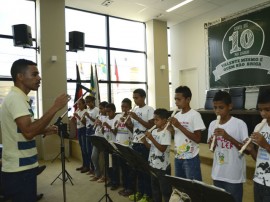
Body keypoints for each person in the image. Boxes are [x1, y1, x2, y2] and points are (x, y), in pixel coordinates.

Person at [0, 59, 69, 202]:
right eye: (34, 74)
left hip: (24, 167)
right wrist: (55, 107)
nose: (39, 78)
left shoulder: (20, 98)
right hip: (19, 171)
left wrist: (44, 130)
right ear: (20, 76)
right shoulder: (16, 98)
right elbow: (29, 132)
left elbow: (23, 129)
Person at [207, 90, 248, 202]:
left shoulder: (239, 124)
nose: (217, 111)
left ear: (230, 106)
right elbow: (212, 149)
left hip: (233, 176)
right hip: (217, 173)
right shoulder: (212, 124)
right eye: (215, 107)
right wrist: (212, 143)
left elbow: (246, 150)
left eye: (221, 107)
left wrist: (228, 137)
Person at [169, 86, 205, 181]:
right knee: (181, 186)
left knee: (193, 187)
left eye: (179, 99)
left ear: (188, 99)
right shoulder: (177, 115)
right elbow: (176, 135)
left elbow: (198, 139)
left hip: (191, 158)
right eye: (175, 99)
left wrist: (179, 126)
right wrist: (170, 129)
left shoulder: (195, 115)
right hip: (178, 156)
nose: (176, 102)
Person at [126, 88, 154, 202]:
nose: (135, 100)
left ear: (143, 97)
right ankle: (140, 192)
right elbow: (134, 129)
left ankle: (147, 195)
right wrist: (128, 124)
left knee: (144, 171)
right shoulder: (135, 109)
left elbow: (150, 126)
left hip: (144, 143)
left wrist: (137, 118)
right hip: (135, 142)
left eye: (136, 98)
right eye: (134, 98)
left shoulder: (149, 109)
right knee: (137, 170)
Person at [243, 88, 270, 202]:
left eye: (267, 109)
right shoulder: (259, 127)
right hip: (259, 179)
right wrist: (251, 150)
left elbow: (266, 147)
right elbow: (258, 158)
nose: (263, 113)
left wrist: (266, 145)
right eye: (260, 110)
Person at [142, 108, 172, 202]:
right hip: (152, 164)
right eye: (154, 119)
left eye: (157, 120)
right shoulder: (154, 131)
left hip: (162, 167)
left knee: (165, 190)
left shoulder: (166, 133)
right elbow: (150, 147)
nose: (154, 122)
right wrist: (144, 141)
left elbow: (162, 149)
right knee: (155, 189)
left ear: (164, 120)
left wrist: (151, 138)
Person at [115, 98, 134, 197]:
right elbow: (116, 131)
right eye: (122, 106)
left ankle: (130, 188)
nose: (124, 108)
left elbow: (134, 131)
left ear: (130, 107)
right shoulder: (119, 116)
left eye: (126, 107)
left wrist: (126, 123)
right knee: (122, 167)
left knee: (129, 169)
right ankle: (125, 186)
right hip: (119, 145)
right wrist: (116, 126)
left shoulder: (132, 117)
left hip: (128, 146)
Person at [102, 103, 122, 190]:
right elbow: (103, 132)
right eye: (106, 112)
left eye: (109, 111)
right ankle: (111, 180)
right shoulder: (106, 118)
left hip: (114, 145)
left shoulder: (117, 119)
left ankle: (116, 182)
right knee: (108, 165)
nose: (107, 114)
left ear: (114, 111)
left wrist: (109, 126)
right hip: (106, 144)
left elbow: (116, 133)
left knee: (114, 165)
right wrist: (102, 128)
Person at [90, 101, 108, 182]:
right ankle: (97, 174)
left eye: (101, 108)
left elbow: (107, 130)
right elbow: (96, 125)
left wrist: (101, 124)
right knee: (94, 157)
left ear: (105, 108)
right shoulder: (99, 116)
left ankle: (104, 176)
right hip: (96, 137)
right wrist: (96, 123)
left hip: (104, 139)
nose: (100, 110)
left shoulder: (108, 117)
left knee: (104, 159)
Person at [82, 95, 99, 175]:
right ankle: (91, 168)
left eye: (88, 102)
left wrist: (88, 116)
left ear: (92, 102)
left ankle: (95, 170)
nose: (87, 104)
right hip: (87, 130)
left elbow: (96, 121)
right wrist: (84, 118)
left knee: (92, 151)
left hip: (93, 130)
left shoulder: (96, 110)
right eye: (86, 102)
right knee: (88, 150)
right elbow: (87, 121)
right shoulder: (88, 109)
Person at [73, 98, 89, 173]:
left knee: (85, 149)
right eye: (77, 104)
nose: (78, 105)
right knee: (82, 149)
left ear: (84, 104)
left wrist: (78, 117)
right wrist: (74, 117)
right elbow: (76, 122)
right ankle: (84, 164)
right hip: (79, 130)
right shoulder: (78, 111)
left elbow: (85, 123)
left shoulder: (85, 111)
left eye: (79, 104)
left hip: (83, 130)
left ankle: (87, 166)